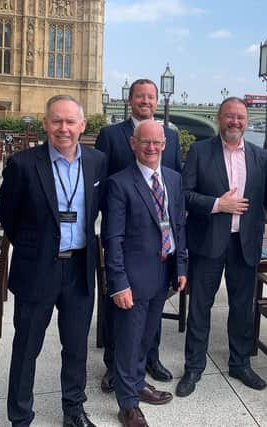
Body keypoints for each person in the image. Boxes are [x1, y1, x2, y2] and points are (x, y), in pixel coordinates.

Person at [0, 95, 107, 427]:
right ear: (45, 124)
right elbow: (8, 215)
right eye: (56, 121)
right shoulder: (23, 164)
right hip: (37, 270)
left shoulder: (97, 161)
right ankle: (20, 416)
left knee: (76, 347)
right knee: (27, 347)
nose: (63, 128)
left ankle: (74, 409)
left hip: (79, 269)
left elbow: (98, 209)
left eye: (70, 121)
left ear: (82, 125)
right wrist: (35, 247)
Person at [176, 97, 267, 397]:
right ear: (219, 118)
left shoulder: (260, 156)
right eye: (230, 116)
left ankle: (240, 363)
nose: (235, 122)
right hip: (207, 242)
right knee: (200, 306)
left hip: (245, 244)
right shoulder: (200, 151)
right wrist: (219, 204)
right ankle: (193, 367)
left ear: (247, 121)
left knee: (242, 308)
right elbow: (184, 195)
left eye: (241, 117)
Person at [95, 78, 181, 392]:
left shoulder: (169, 135)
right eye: (140, 96)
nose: (145, 101)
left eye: (150, 96)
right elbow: (103, 184)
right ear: (129, 100)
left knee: (152, 308)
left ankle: (148, 360)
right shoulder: (111, 135)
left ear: (157, 101)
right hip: (126, 234)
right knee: (120, 308)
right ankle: (114, 367)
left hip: (158, 243)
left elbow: (173, 185)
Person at [104, 119, 187, 427]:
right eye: (145, 142)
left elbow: (178, 225)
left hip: (163, 272)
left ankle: (137, 383)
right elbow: (113, 238)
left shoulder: (173, 179)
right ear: (133, 144)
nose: (151, 148)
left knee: (146, 337)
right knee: (127, 341)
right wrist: (119, 282)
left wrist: (180, 266)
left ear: (164, 146)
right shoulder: (120, 183)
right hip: (133, 277)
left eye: (157, 143)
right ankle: (127, 403)